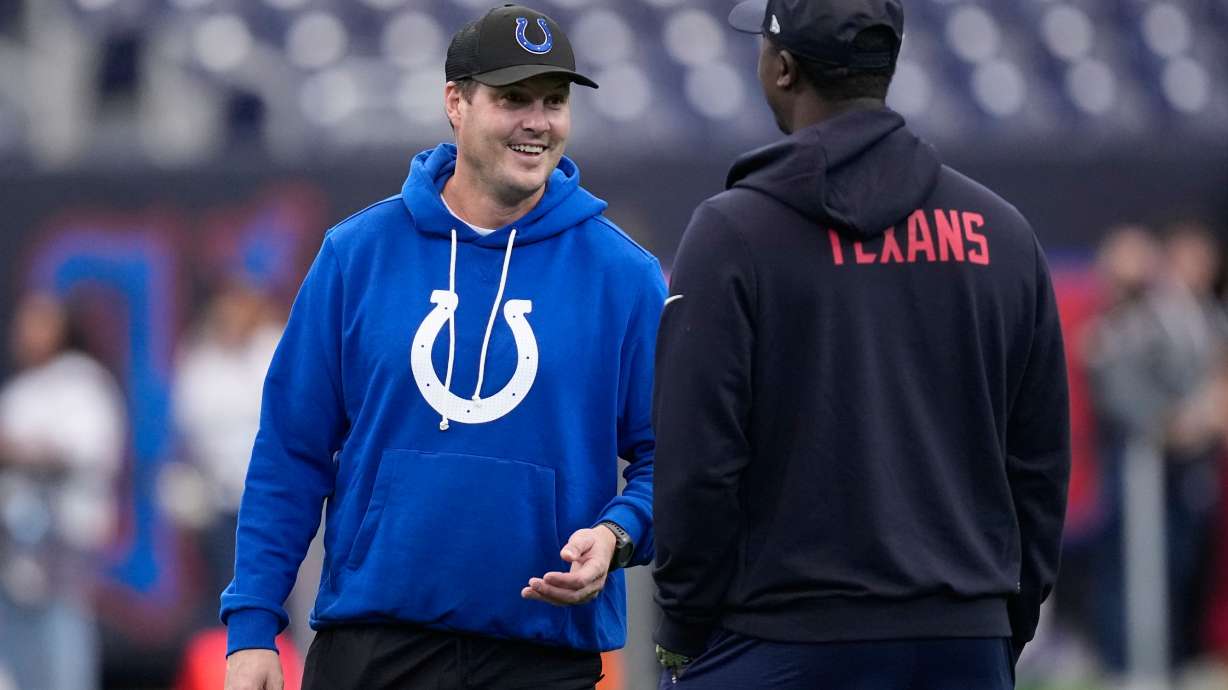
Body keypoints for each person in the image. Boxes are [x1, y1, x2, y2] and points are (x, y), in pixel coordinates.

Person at [222, 4, 665, 690]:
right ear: (455, 103)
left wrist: (618, 534)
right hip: (372, 648)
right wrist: (252, 627)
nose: (537, 121)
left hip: (542, 656)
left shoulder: (625, 277)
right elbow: (290, 450)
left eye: (554, 100)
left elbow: (673, 460)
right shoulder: (356, 255)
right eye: (513, 98)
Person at [650, 1, 1071, 688]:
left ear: (783, 68)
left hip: (776, 640)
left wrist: (683, 629)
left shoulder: (732, 234)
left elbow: (699, 464)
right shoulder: (1002, 233)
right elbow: (1040, 463)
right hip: (964, 641)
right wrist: (996, 624)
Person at [0, 292, 126, 690]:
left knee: (64, 654)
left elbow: (91, 450)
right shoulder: (19, 391)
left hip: (66, 543)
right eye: (24, 325)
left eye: (40, 324)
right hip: (17, 548)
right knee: (19, 662)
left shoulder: (82, 381)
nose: (28, 334)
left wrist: (21, 451)